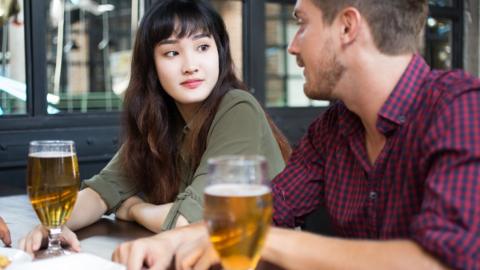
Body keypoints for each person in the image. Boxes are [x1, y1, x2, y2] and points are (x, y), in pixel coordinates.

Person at [112, 0, 480, 269]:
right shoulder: (332, 129)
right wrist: (170, 242)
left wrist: (264, 241)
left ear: (347, 27)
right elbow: (268, 211)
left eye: (302, 24)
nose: (292, 46)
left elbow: (445, 262)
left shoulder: (460, 108)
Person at [20, 0, 290, 254]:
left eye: (203, 47)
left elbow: (194, 223)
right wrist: (52, 227)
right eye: (172, 52)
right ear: (152, 66)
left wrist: (136, 208)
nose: (191, 66)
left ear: (220, 52)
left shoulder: (237, 108)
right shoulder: (162, 121)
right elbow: (101, 193)